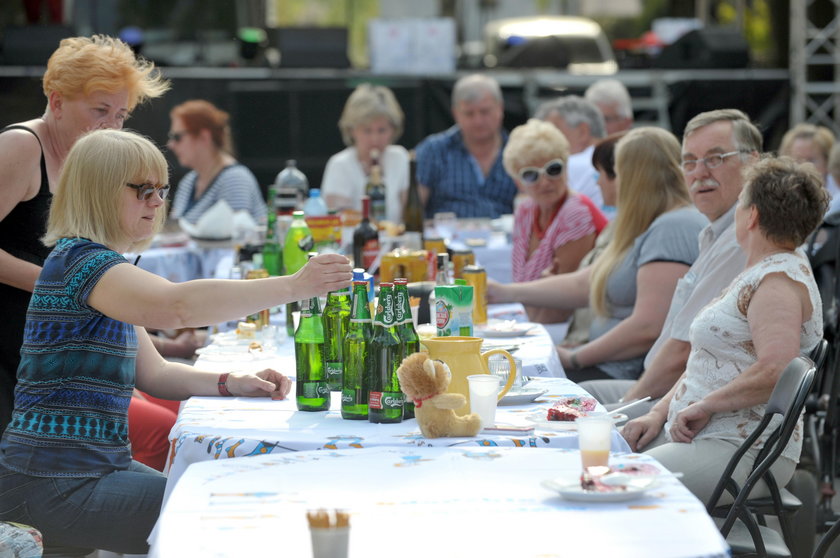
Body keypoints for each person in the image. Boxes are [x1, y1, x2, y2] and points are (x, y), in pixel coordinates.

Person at [0, 129, 353, 553]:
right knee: (227, 511)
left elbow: (156, 373)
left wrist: (231, 381)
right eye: (143, 190)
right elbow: (178, 307)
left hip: (77, 476)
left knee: (222, 499)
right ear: (97, 190)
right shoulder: (82, 263)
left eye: (162, 190)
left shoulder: (90, 263)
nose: (157, 202)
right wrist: (295, 285)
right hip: (53, 486)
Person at [622, 156, 827, 505]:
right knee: (596, 453)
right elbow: (706, 362)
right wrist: (657, 412)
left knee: (616, 482)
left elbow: (776, 370)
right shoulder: (764, 270)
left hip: (742, 448)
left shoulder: (778, 281)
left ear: (752, 215)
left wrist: (706, 405)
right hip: (710, 435)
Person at [0, 34, 169, 436]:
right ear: (56, 102)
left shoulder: (88, 163)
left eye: (121, 115)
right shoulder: (22, 147)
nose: (110, 125)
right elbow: (76, 275)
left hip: (58, 353)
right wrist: (57, 284)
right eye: (100, 110)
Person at [488, 127, 708, 382]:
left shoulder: (672, 228)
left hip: (617, 373)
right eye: (530, 175)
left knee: (505, 379)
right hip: (602, 363)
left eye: (607, 174)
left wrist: (576, 358)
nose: (597, 182)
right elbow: (585, 282)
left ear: (632, 177)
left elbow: (647, 327)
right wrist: (502, 292)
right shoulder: (646, 224)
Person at [580, 109, 761, 416]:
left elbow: (680, 351)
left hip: (688, 405)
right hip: (663, 389)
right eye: (689, 161)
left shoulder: (739, 239)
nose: (700, 172)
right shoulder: (712, 231)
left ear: (752, 162)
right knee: (564, 396)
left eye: (715, 158)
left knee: (564, 419)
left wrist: (622, 411)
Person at [502, 118, 605, 325]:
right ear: (518, 182)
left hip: (576, 327)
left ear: (566, 168)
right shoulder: (525, 211)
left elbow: (561, 308)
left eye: (553, 169)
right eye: (531, 175)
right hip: (538, 321)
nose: (545, 181)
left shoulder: (575, 214)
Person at [415, 73, 517, 218]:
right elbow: (414, 210)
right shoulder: (434, 150)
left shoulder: (518, 151)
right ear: (455, 114)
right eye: (469, 114)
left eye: (485, 111)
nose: (478, 121)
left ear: (500, 108)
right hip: (445, 237)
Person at [562, 132, 625, 347]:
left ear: (621, 177)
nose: (597, 183)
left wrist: (575, 359)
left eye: (600, 174)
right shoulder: (619, 223)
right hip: (583, 343)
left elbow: (583, 285)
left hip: (594, 352)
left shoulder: (576, 211)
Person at [167, 99, 267, 226]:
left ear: (204, 137)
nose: (171, 145)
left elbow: (235, 233)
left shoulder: (235, 179)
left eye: (177, 137)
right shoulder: (188, 181)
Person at [321, 84, 409, 224]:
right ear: (351, 130)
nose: (375, 139)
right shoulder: (339, 164)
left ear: (393, 129)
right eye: (367, 131)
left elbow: (409, 214)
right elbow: (337, 217)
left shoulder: (400, 157)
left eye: (382, 130)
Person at [535, 96, 607, 213]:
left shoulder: (568, 166)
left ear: (582, 132)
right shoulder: (623, 159)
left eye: (551, 134)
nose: (542, 144)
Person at [779, 123, 838, 211]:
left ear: (827, 162)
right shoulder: (778, 198)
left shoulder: (837, 196)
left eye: (811, 160)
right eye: (797, 161)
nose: (804, 167)